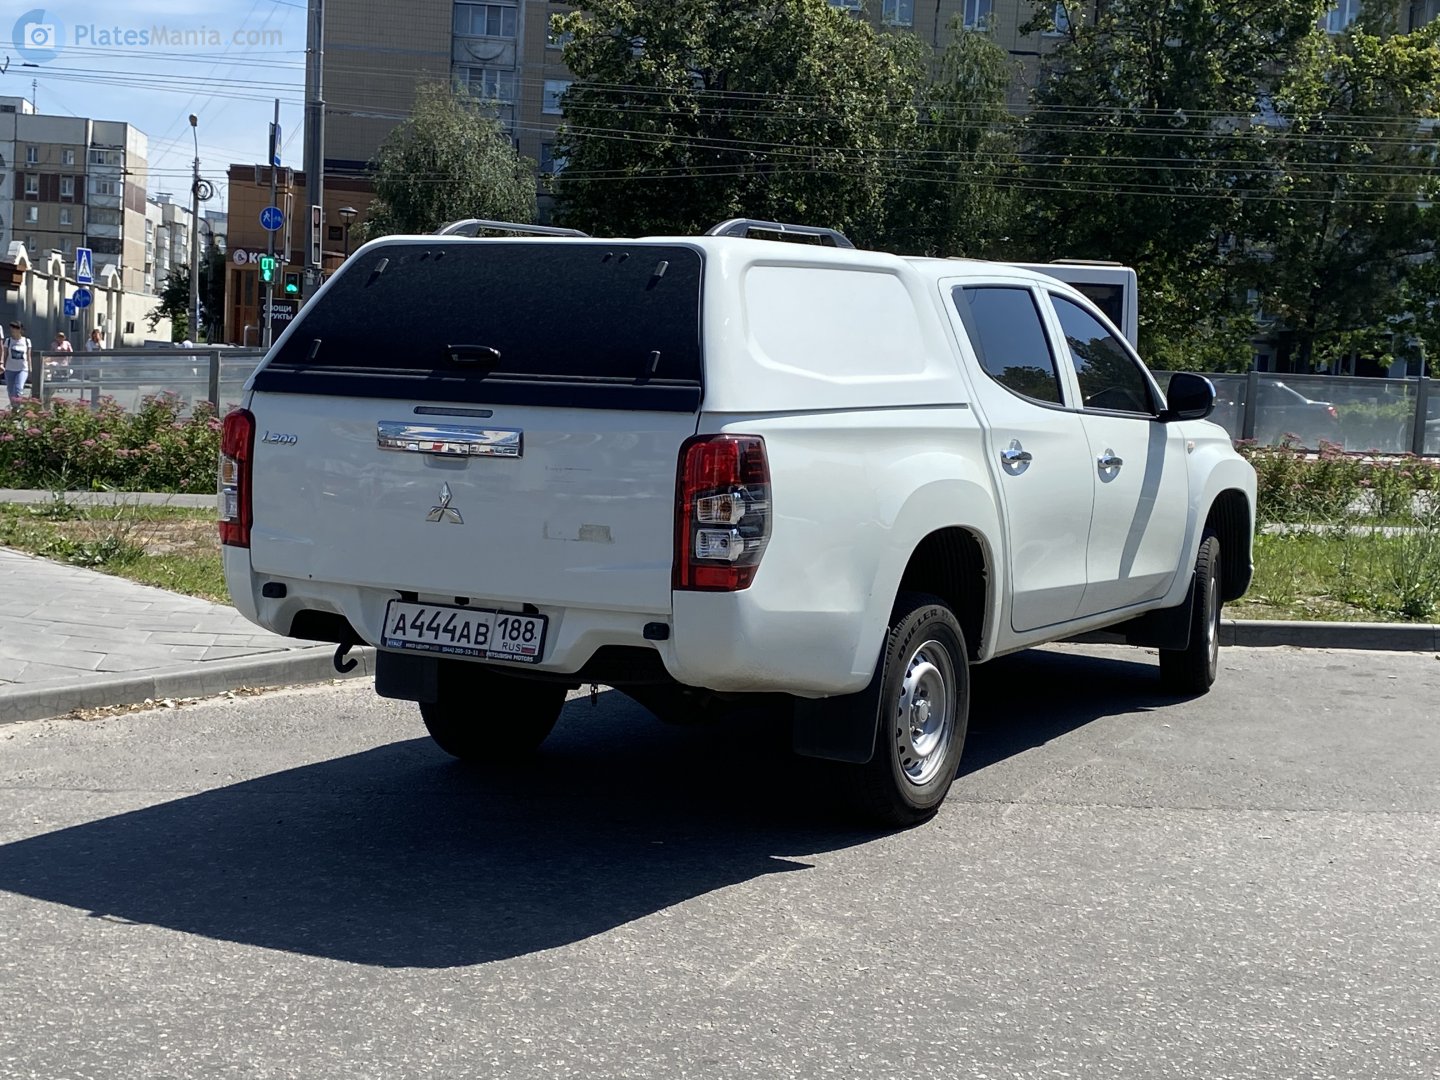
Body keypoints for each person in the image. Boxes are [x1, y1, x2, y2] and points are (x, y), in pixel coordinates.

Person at [4, 321, 31, 405]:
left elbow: (28, 356)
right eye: (11, 328)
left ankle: (18, 408)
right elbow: (5, 355)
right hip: (9, 369)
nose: (12, 330)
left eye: (15, 328)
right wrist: (2, 365)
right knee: (11, 390)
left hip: (22, 369)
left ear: (20, 330)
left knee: (18, 389)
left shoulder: (26, 341)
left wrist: (30, 368)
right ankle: (14, 407)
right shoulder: (8, 341)